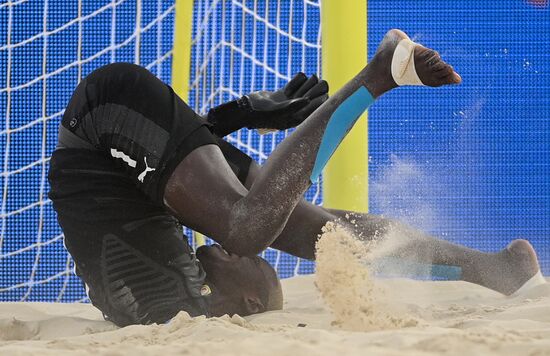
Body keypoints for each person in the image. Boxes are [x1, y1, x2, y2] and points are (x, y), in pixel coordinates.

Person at [48, 29, 544, 327]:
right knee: (297, 233)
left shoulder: (176, 303)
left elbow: (141, 165)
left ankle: (490, 271)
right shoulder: (185, 302)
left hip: (107, 131)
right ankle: (491, 269)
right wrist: (235, 116)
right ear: (247, 301)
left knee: (263, 225)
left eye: (253, 263)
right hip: (123, 139)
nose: (241, 255)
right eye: (258, 264)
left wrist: (236, 115)